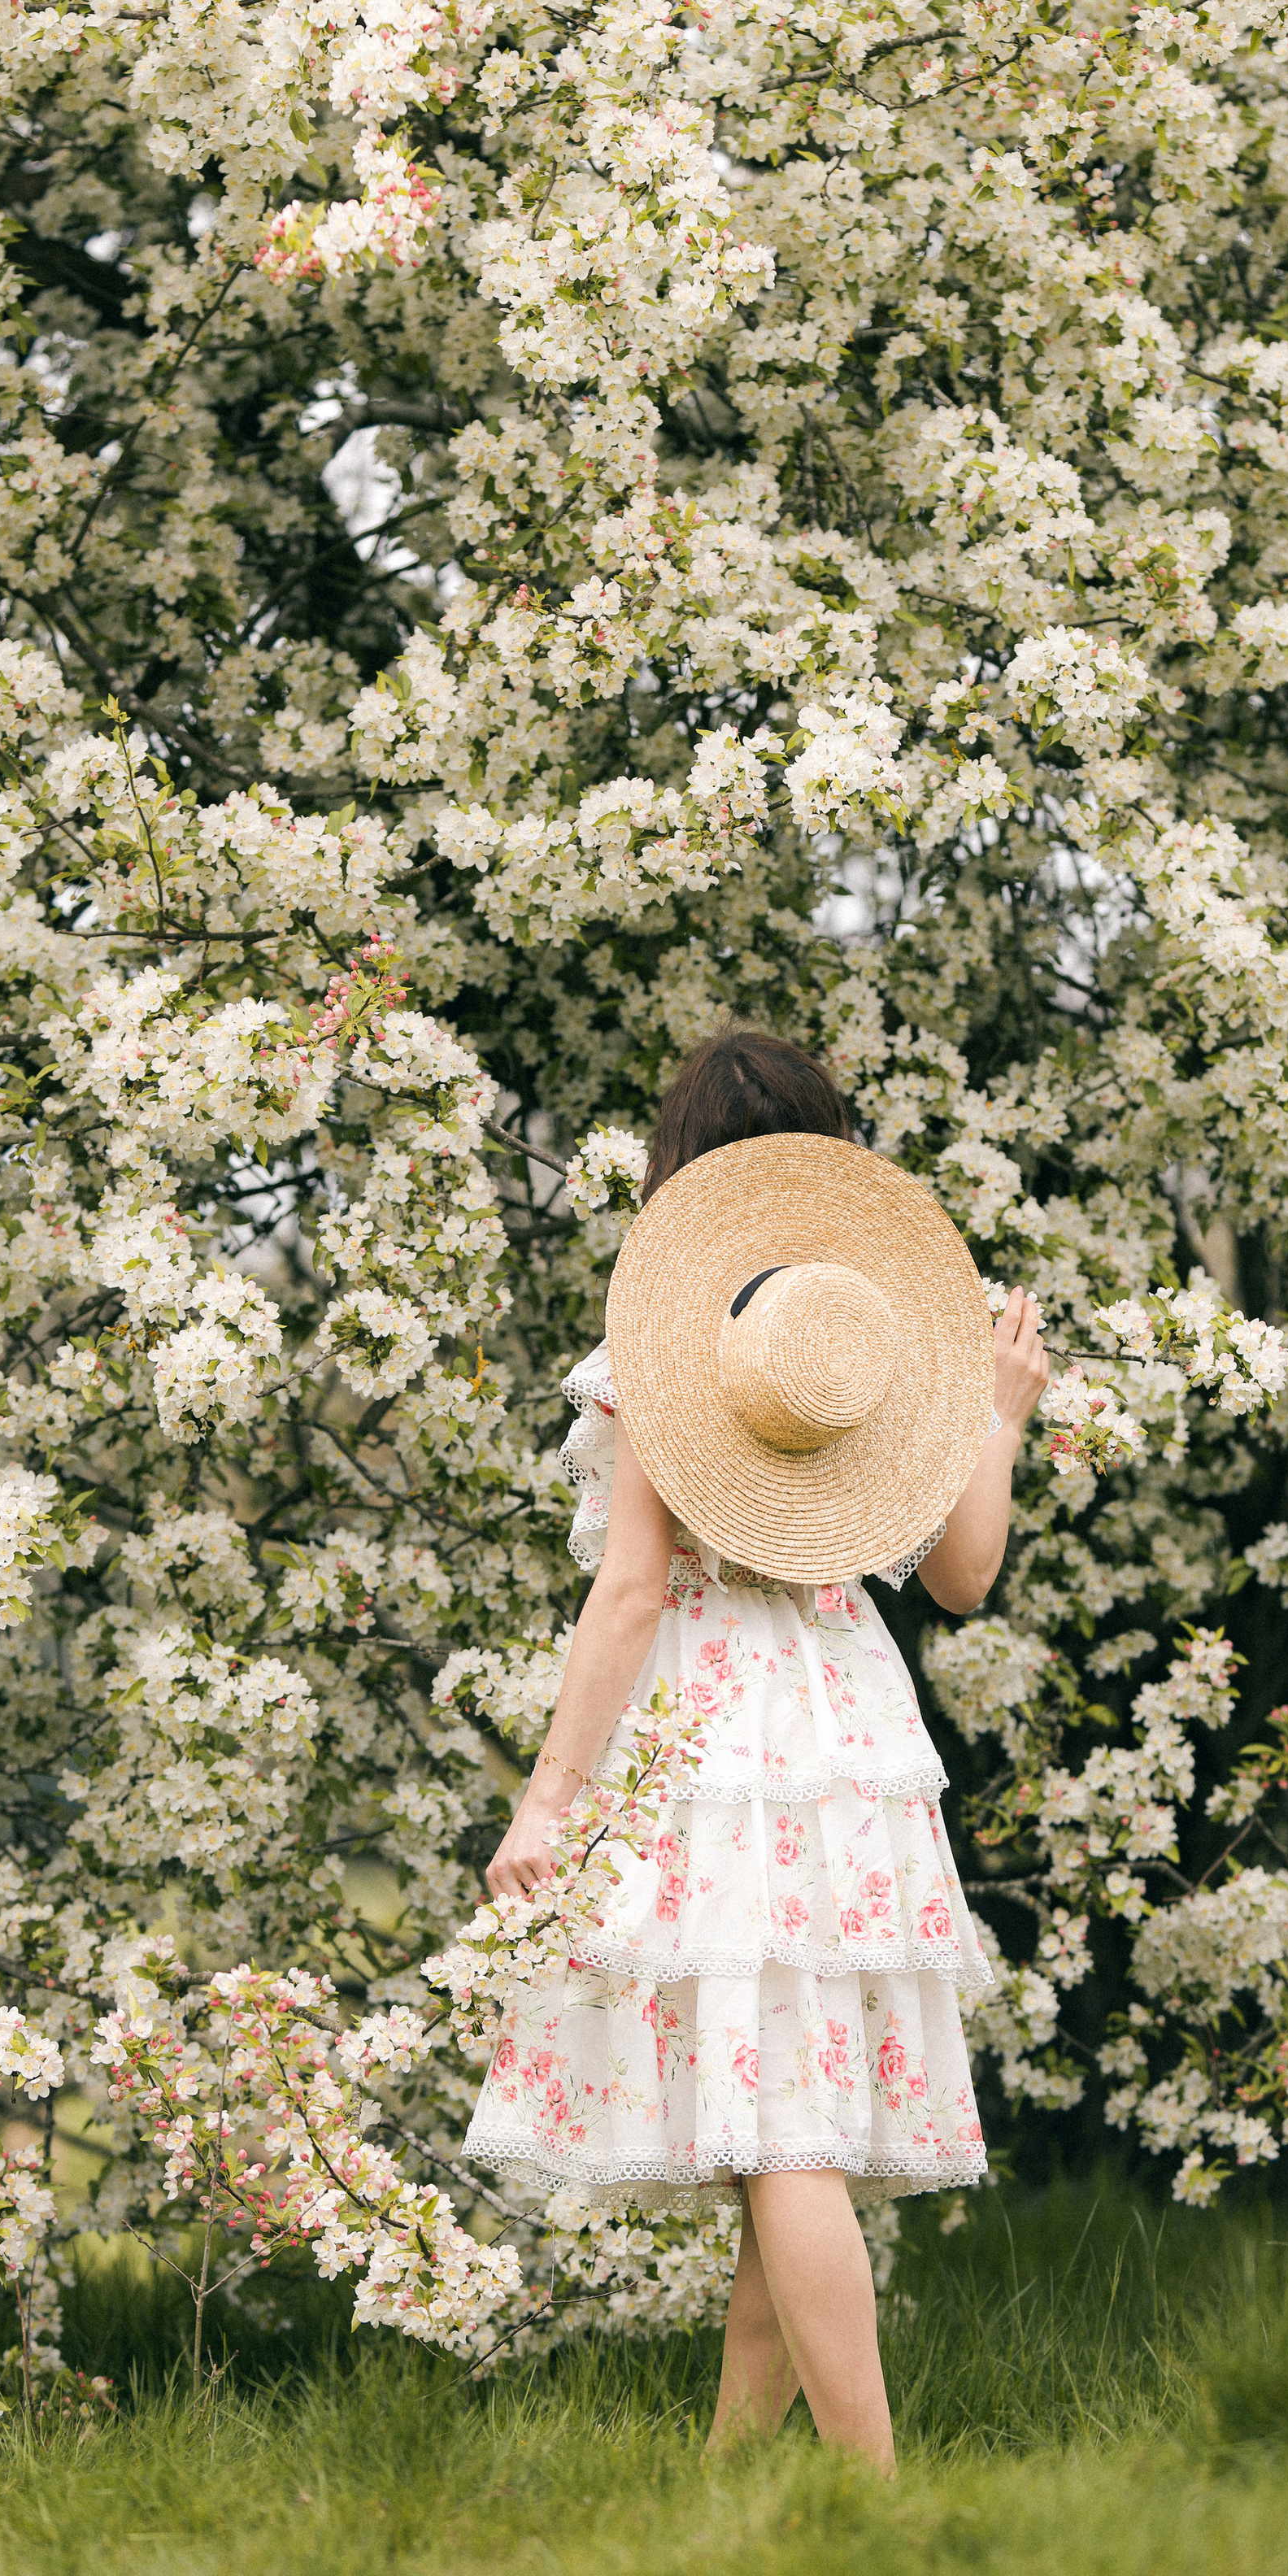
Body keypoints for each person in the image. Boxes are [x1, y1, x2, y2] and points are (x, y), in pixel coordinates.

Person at [465, 1027, 1051, 2474]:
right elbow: (964, 1578)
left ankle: (870, 2493)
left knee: (784, 2145)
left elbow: (629, 1590)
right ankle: (732, 2503)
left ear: (682, 1175)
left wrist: (551, 1799)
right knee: (791, 2145)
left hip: (718, 1738)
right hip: (849, 1735)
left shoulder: (668, 1349)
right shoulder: (874, 1350)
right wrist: (1000, 1415)